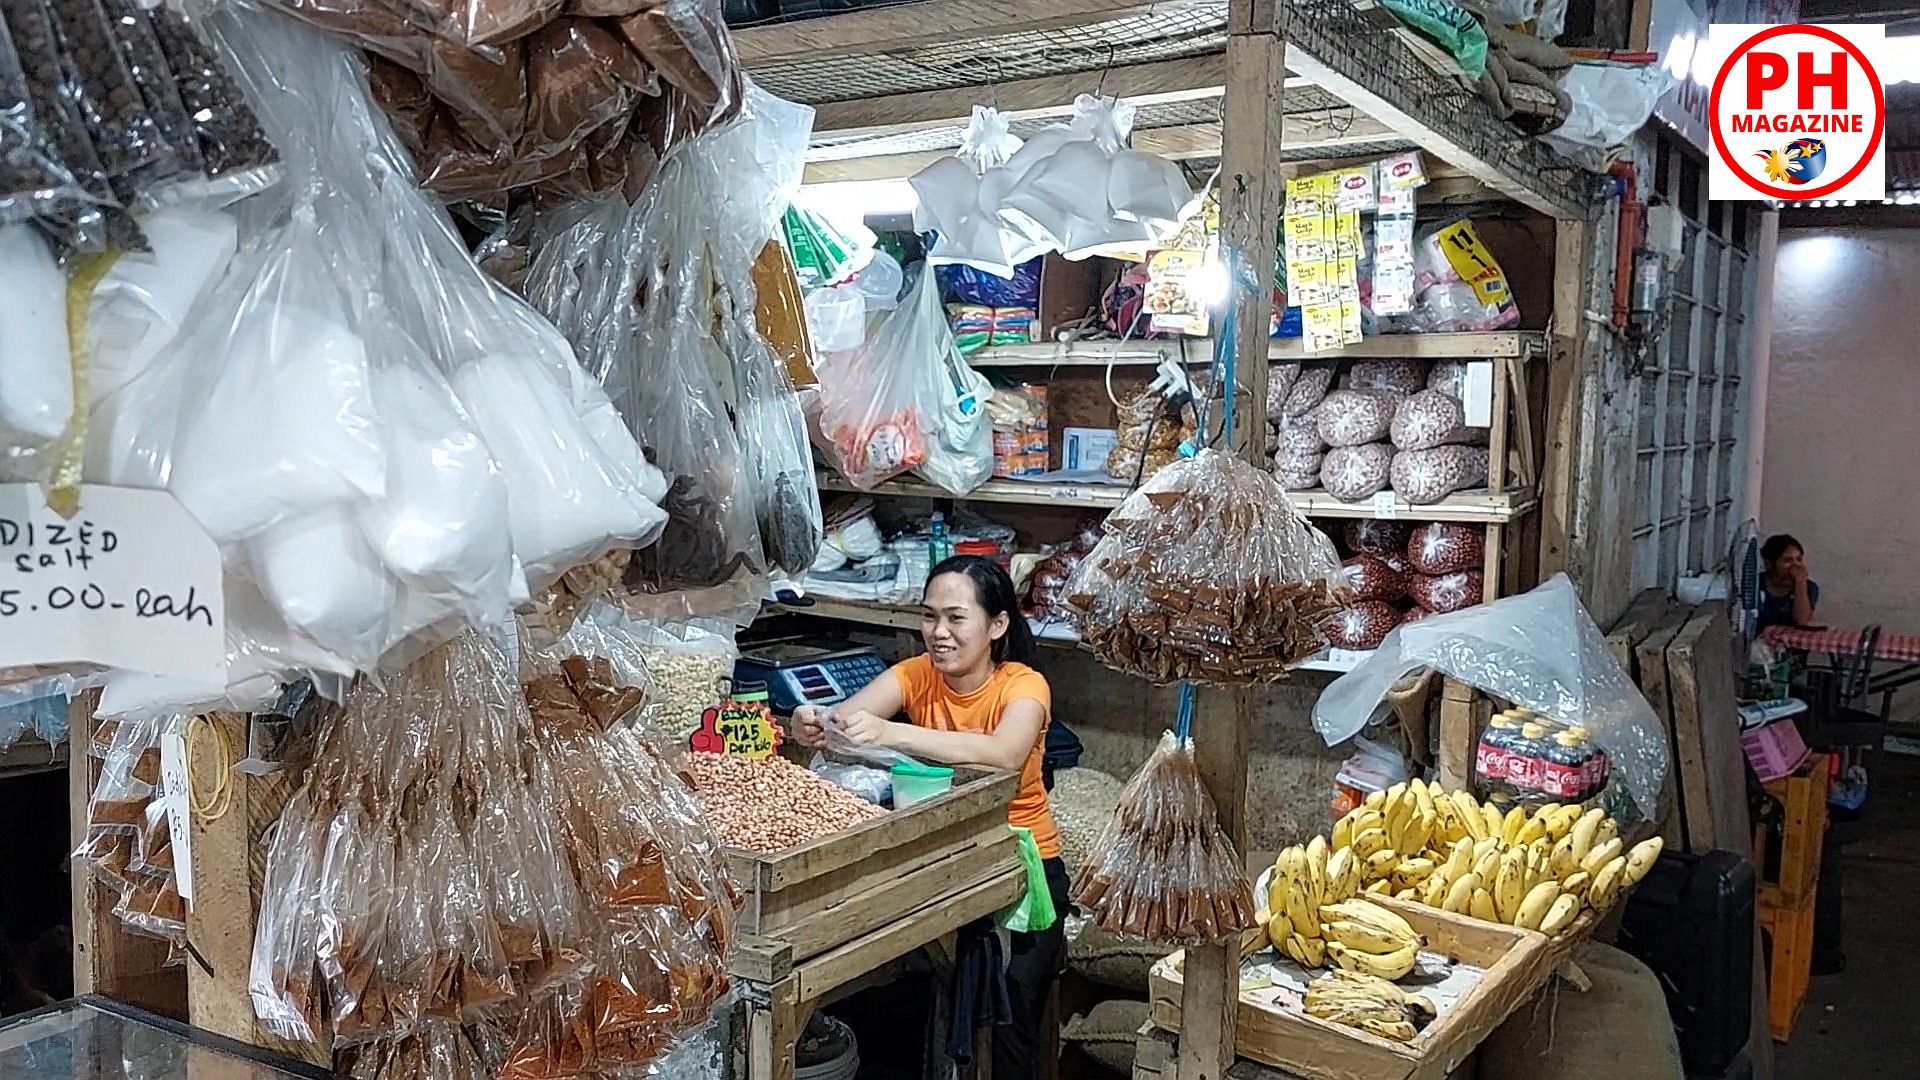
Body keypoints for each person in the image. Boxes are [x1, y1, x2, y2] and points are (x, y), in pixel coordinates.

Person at [793, 555, 1068, 1077]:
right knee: (889, 985)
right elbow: (849, 719)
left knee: (1008, 1018)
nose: (939, 632)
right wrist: (813, 722)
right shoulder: (915, 674)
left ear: (997, 625)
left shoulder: (1023, 686)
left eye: (955, 618)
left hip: (1023, 868)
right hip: (936, 862)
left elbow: (1004, 754)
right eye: (928, 617)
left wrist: (895, 732)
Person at [1758, 533, 1819, 630]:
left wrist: (1800, 583)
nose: (1795, 565)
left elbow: (1801, 621)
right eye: (1787, 560)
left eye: (1799, 559)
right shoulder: (1755, 584)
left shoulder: (1810, 587)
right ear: (1770, 563)